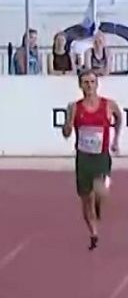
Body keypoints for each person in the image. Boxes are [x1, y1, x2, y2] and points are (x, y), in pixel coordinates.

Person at [61, 68, 123, 250]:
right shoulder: (74, 107)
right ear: (80, 85)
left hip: (102, 156)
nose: (89, 86)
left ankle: (98, 206)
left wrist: (116, 140)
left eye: (92, 82)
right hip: (83, 158)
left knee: (101, 192)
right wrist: (67, 123)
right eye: (86, 82)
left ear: (97, 84)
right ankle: (94, 233)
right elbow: (66, 132)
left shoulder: (108, 104)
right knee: (85, 199)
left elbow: (119, 118)